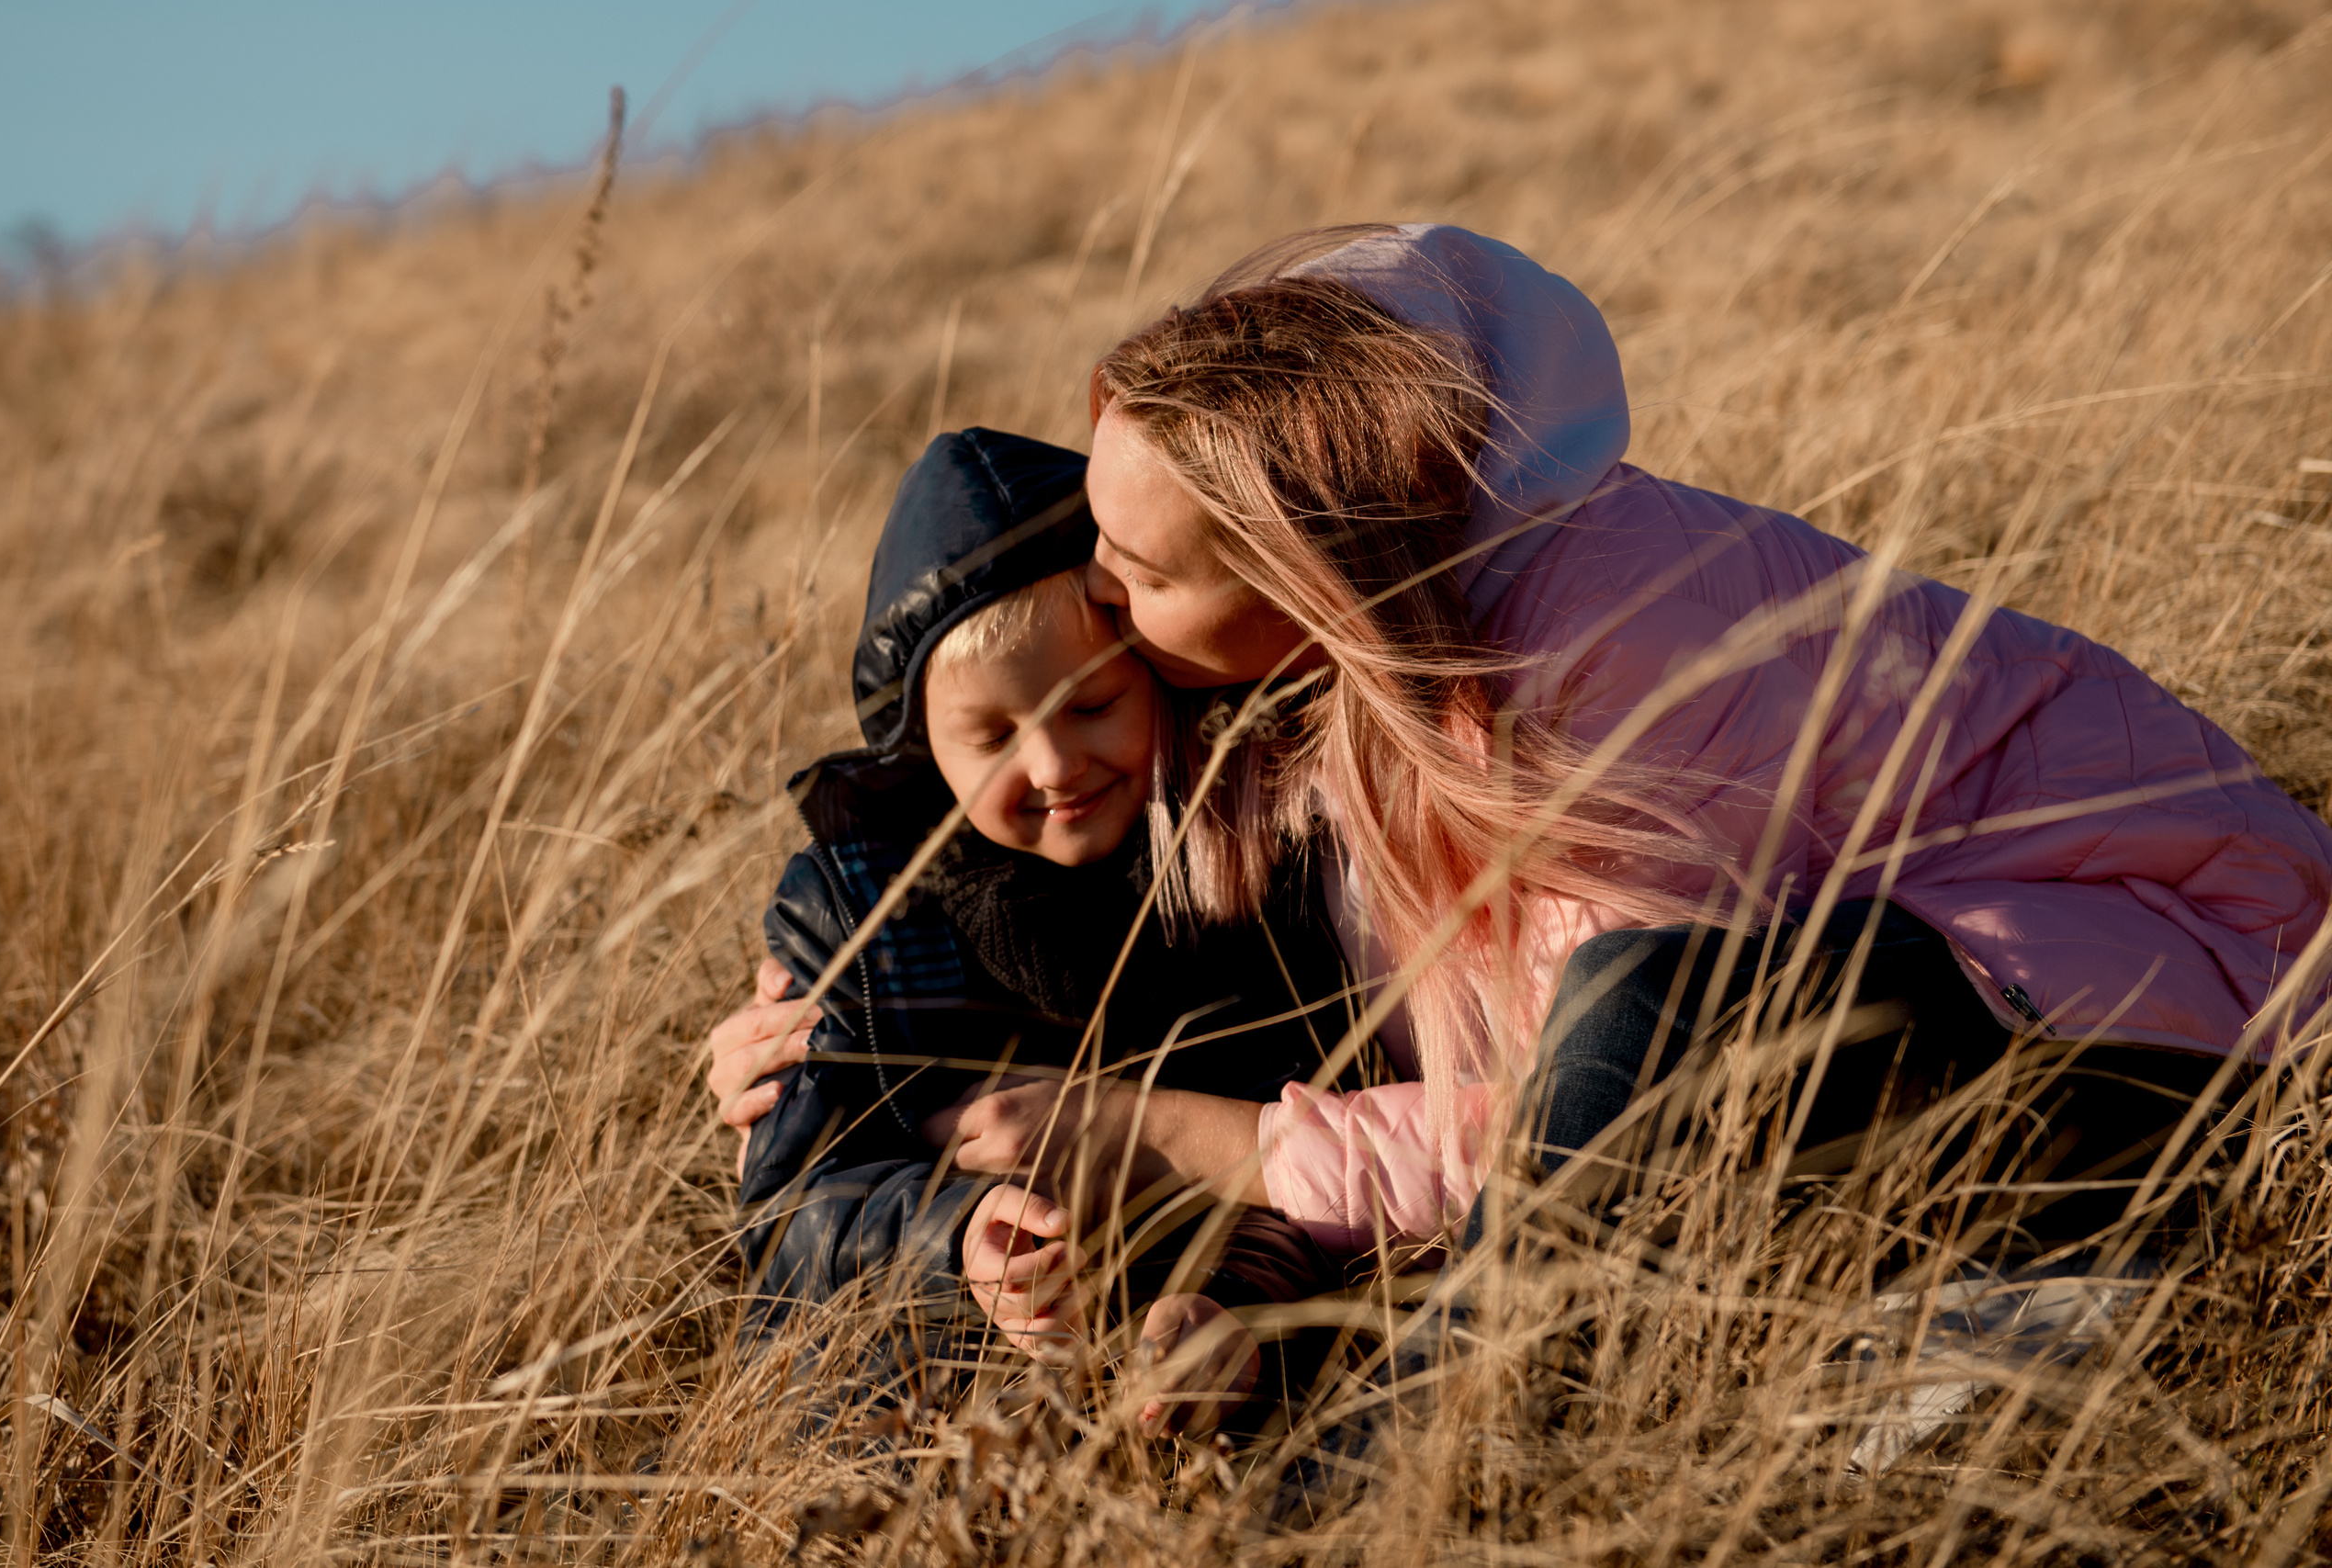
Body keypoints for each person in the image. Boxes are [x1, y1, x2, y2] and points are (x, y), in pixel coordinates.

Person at [727, 223, 2332, 1265]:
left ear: (1293, 560)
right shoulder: (1337, 669)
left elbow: (1579, 1111)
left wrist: (1188, 1142)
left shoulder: (1593, 648)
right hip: (1976, 1004)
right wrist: (810, 1036)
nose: (1118, 627)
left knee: (1640, 1015)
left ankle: (1430, 1441)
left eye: (1136, 584)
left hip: (2186, 1012)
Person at [719, 425, 1349, 1434]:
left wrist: (1230, 1308)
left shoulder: (1250, 853)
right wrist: (956, 1234)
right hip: (922, 1381)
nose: (1054, 765)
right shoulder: (855, 912)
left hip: (1207, 1352)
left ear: (1155, 673)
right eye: (995, 736)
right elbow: (789, 1209)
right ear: (922, 748)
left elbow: (1315, 1126)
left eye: (1092, 704)